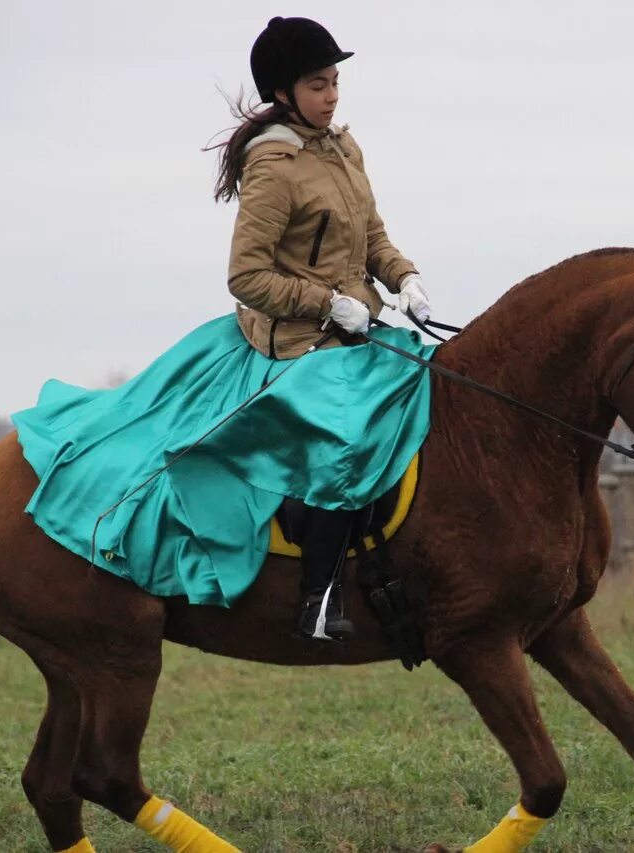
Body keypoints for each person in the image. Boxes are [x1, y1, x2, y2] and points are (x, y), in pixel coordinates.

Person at [210, 16, 433, 641]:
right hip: (297, 338)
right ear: (283, 93)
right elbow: (245, 276)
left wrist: (404, 279)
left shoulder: (342, 148)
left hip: (357, 325)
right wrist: (329, 303)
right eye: (317, 85)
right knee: (348, 445)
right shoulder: (273, 169)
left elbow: (372, 238)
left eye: (335, 81)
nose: (332, 95)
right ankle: (317, 598)